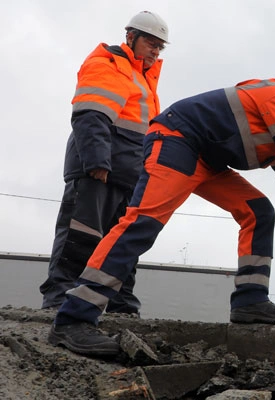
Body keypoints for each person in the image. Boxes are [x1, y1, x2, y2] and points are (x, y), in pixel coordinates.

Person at [47, 77, 275, 356]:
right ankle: (74, 317)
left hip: (206, 161)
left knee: (259, 211)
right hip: (176, 139)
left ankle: (250, 301)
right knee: (142, 223)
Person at [39, 11, 170, 315]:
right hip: (99, 169)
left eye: (160, 47)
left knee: (121, 242)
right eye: (150, 43)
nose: (155, 50)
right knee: (81, 235)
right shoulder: (108, 64)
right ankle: (60, 298)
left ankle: (118, 303)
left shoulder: (145, 79)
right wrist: (97, 161)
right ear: (130, 37)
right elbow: (91, 115)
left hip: (130, 173)